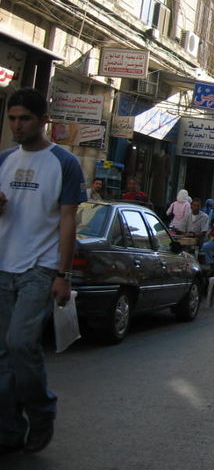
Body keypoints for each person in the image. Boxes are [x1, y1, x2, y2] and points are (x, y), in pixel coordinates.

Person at [0, 87, 86, 454]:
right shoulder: (3, 160)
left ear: (43, 120)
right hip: (3, 266)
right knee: (3, 355)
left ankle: (41, 409)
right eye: (12, 119)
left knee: (20, 343)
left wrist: (62, 275)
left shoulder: (63, 163)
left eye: (25, 119)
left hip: (40, 267)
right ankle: (8, 430)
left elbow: (68, 222)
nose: (17, 126)